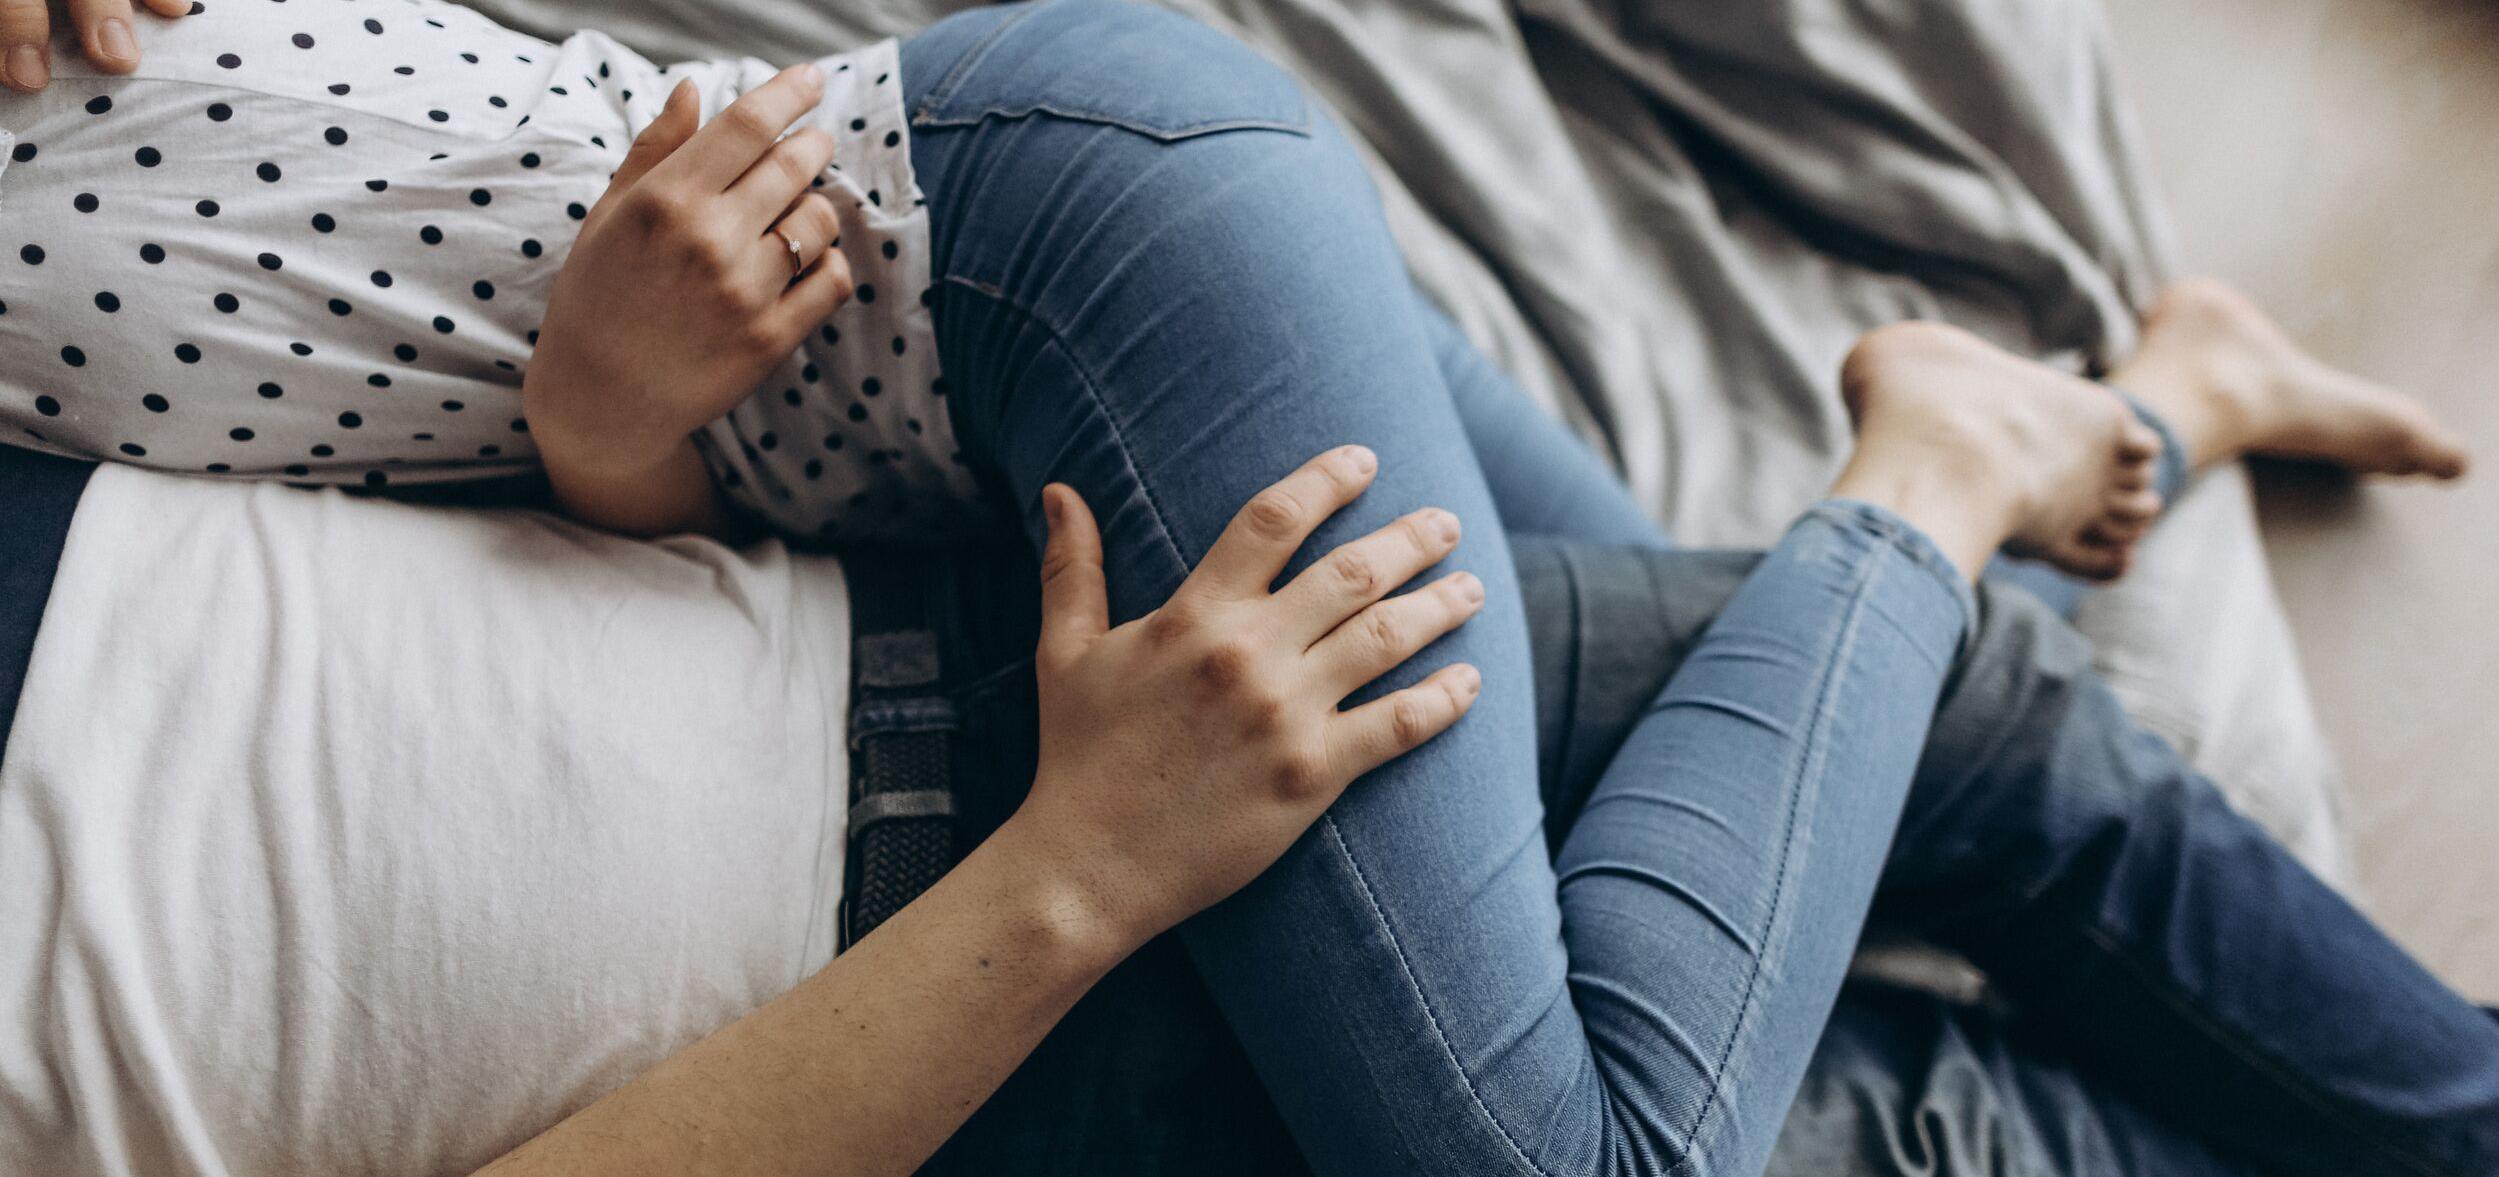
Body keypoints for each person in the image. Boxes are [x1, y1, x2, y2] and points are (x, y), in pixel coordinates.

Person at [1, 2, 2488, 1176]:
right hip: (986, 982)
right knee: (1907, 828)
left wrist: (606, 429)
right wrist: (1078, 877)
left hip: (1005, 693)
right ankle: (2142, 415)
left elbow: (425, 559)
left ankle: (1933, 477)